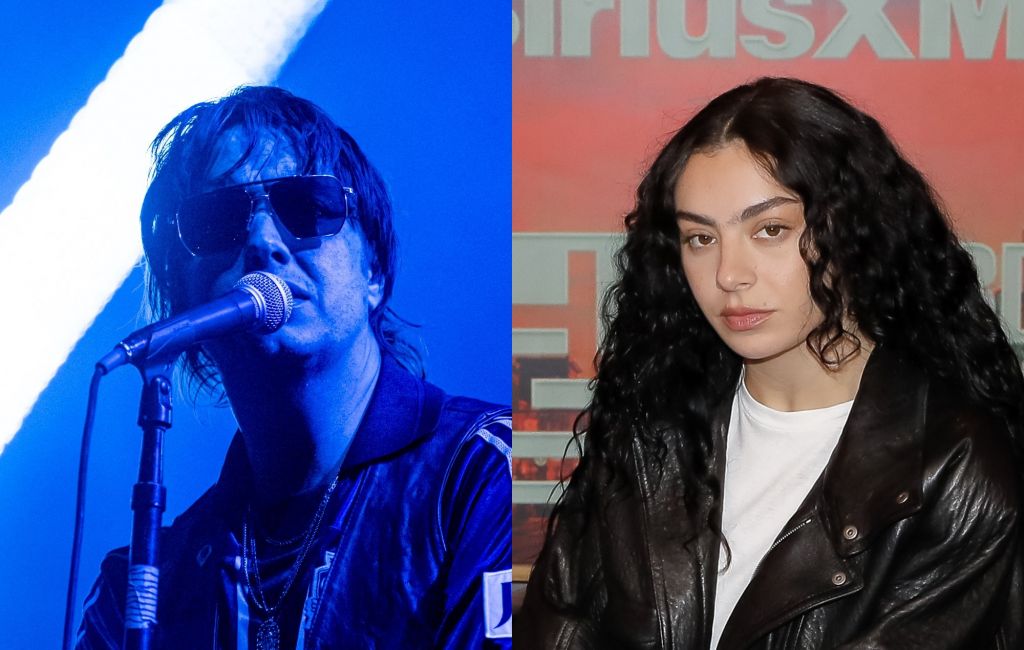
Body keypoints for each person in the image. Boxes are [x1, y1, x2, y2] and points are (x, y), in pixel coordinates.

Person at [514, 77, 1024, 648]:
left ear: (854, 231)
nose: (729, 274)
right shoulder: (649, 428)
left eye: (770, 230)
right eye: (700, 239)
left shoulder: (953, 465)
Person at [75, 86, 512, 648]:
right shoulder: (141, 588)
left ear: (372, 272)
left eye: (306, 206)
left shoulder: (488, 474)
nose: (261, 240)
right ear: (185, 305)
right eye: (217, 219)